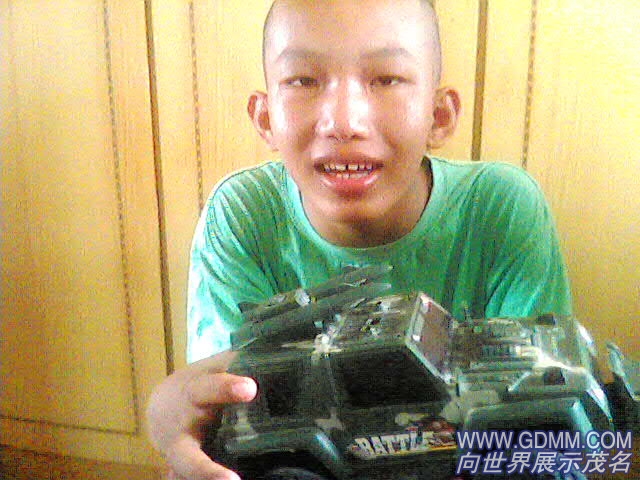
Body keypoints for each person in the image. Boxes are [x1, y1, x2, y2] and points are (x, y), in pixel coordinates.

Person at [146, 1, 572, 479]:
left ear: (438, 115)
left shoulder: (500, 208)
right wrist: (171, 410)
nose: (344, 121)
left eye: (386, 79)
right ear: (265, 119)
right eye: (303, 80)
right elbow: (224, 414)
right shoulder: (243, 216)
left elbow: (542, 425)